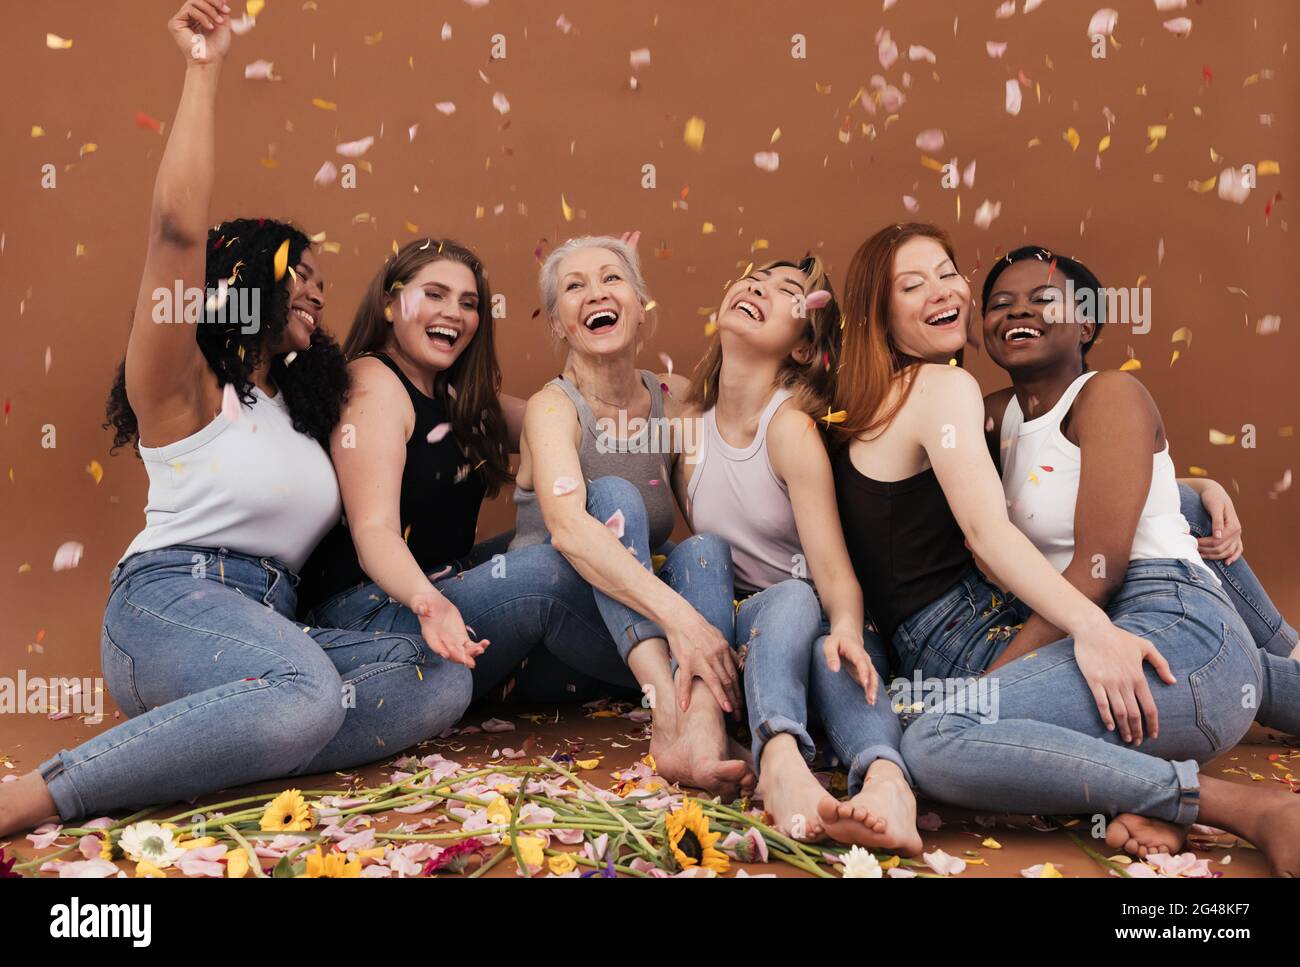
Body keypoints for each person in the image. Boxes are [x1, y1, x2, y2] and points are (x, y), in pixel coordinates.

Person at [0, 2, 472, 838]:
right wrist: (203, 67)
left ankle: (226, 743)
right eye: (299, 273)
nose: (319, 291)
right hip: (171, 607)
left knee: (437, 678)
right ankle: (41, 792)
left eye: (325, 279)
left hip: (270, 629)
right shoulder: (181, 388)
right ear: (242, 279)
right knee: (306, 691)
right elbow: (176, 230)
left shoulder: (300, 409)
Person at [672, 255, 921, 852]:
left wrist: (847, 635)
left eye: (788, 291)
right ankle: (774, 756)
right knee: (701, 555)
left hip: (811, 627)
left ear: (804, 349)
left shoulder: (789, 431)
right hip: (740, 644)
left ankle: (883, 779)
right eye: (754, 277)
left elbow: (834, 576)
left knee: (811, 626)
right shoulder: (685, 424)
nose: (757, 286)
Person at [511, 235, 753, 798]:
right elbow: (570, 530)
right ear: (557, 323)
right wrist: (685, 622)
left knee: (706, 548)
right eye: (575, 286)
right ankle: (673, 718)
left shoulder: (676, 400)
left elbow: (707, 509)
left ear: (640, 304)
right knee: (614, 498)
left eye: (612, 278)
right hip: (560, 632)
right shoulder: (553, 409)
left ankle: (703, 725)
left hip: (638, 640)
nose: (596, 292)